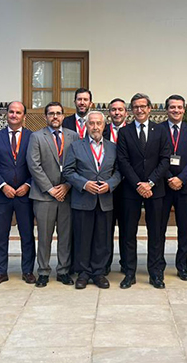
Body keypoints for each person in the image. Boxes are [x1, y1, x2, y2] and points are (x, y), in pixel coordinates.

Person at [116, 93, 170, 289]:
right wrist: (139, 184)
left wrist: (151, 183)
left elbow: (165, 159)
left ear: (150, 108)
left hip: (156, 190)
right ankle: (129, 273)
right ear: (132, 110)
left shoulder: (161, 131)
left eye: (143, 106)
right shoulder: (125, 132)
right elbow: (123, 161)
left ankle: (156, 273)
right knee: (129, 233)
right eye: (136, 107)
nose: (139, 110)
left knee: (156, 233)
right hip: (131, 191)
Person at [63, 110, 122, 289]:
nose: (95, 127)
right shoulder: (75, 146)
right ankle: (83, 273)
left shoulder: (113, 147)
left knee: (102, 239)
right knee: (82, 237)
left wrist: (110, 184)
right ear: (86, 125)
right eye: (91, 123)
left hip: (105, 200)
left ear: (104, 126)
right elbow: (68, 171)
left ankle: (99, 272)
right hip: (83, 199)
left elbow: (119, 172)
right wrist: (84, 184)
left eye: (98, 123)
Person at [0, 101, 37, 285]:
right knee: (1, 235)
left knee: (27, 235)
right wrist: (2, 185)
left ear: (24, 116)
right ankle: (0, 272)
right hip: (1, 195)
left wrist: (28, 185)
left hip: (25, 195)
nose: (14, 115)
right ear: (6, 114)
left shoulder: (32, 137)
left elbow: (37, 165)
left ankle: (28, 271)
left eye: (18, 112)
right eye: (11, 112)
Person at [27, 102, 77, 287]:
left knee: (65, 235)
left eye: (58, 113)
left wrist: (67, 186)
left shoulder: (74, 136)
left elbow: (78, 164)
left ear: (63, 116)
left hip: (67, 194)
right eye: (51, 114)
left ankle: (63, 270)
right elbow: (34, 165)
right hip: (44, 196)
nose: (55, 116)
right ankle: (43, 271)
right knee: (45, 236)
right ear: (45, 117)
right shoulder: (37, 136)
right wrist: (50, 188)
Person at [159, 95, 187, 280]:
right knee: (159, 228)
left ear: (184, 110)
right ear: (166, 109)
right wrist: (169, 177)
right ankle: (158, 264)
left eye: (179, 107)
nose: (176, 110)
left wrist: (181, 179)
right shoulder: (158, 130)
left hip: (184, 187)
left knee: (184, 228)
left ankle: (182, 266)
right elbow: (156, 158)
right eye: (172, 107)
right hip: (163, 186)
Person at [104, 97, 127, 275]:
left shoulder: (133, 131)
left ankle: (126, 263)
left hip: (128, 188)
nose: (117, 113)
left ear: (126, 112)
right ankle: (105, 264)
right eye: (113, 110)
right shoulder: (101, 131)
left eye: (120, 110)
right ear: (109, 113)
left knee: (127, 229)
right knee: (106, 228)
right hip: (106, 188)